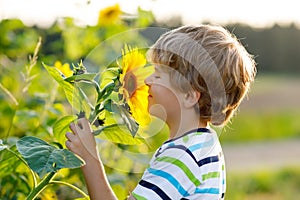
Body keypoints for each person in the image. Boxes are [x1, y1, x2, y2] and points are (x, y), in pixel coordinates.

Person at [65, 24, 256, 199]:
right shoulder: (204, 144)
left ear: (189, 96)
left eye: (158, 74)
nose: (147, 81)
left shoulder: (181, 156)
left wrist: (88, 158)